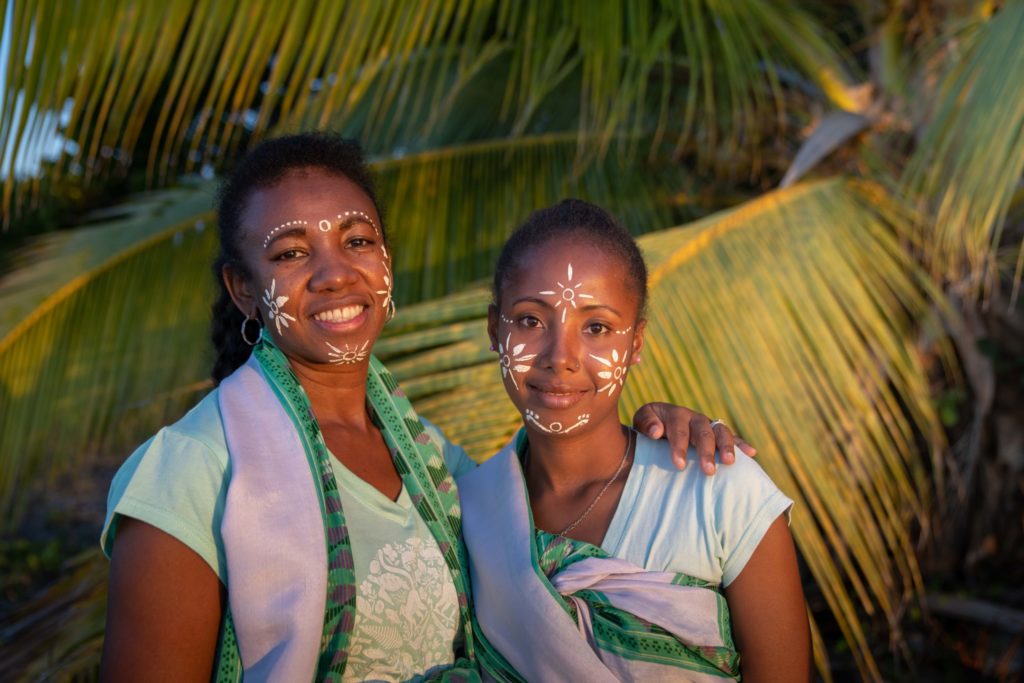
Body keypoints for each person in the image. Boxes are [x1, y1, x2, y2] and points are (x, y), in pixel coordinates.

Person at [99, 133, 754, 682]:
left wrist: (657, 426)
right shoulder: (189, 472)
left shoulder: (440, 465)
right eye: (291, 252)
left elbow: (568, 517)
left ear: (386, 257)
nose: (335, 273)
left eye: (356, 241)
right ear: (244, 289)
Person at [457, 199, 811, 681]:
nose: (561, 357)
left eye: (597, 327)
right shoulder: (468, 513)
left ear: (636, 343)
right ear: (494, 330)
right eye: (530, 321)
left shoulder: (719, 492)